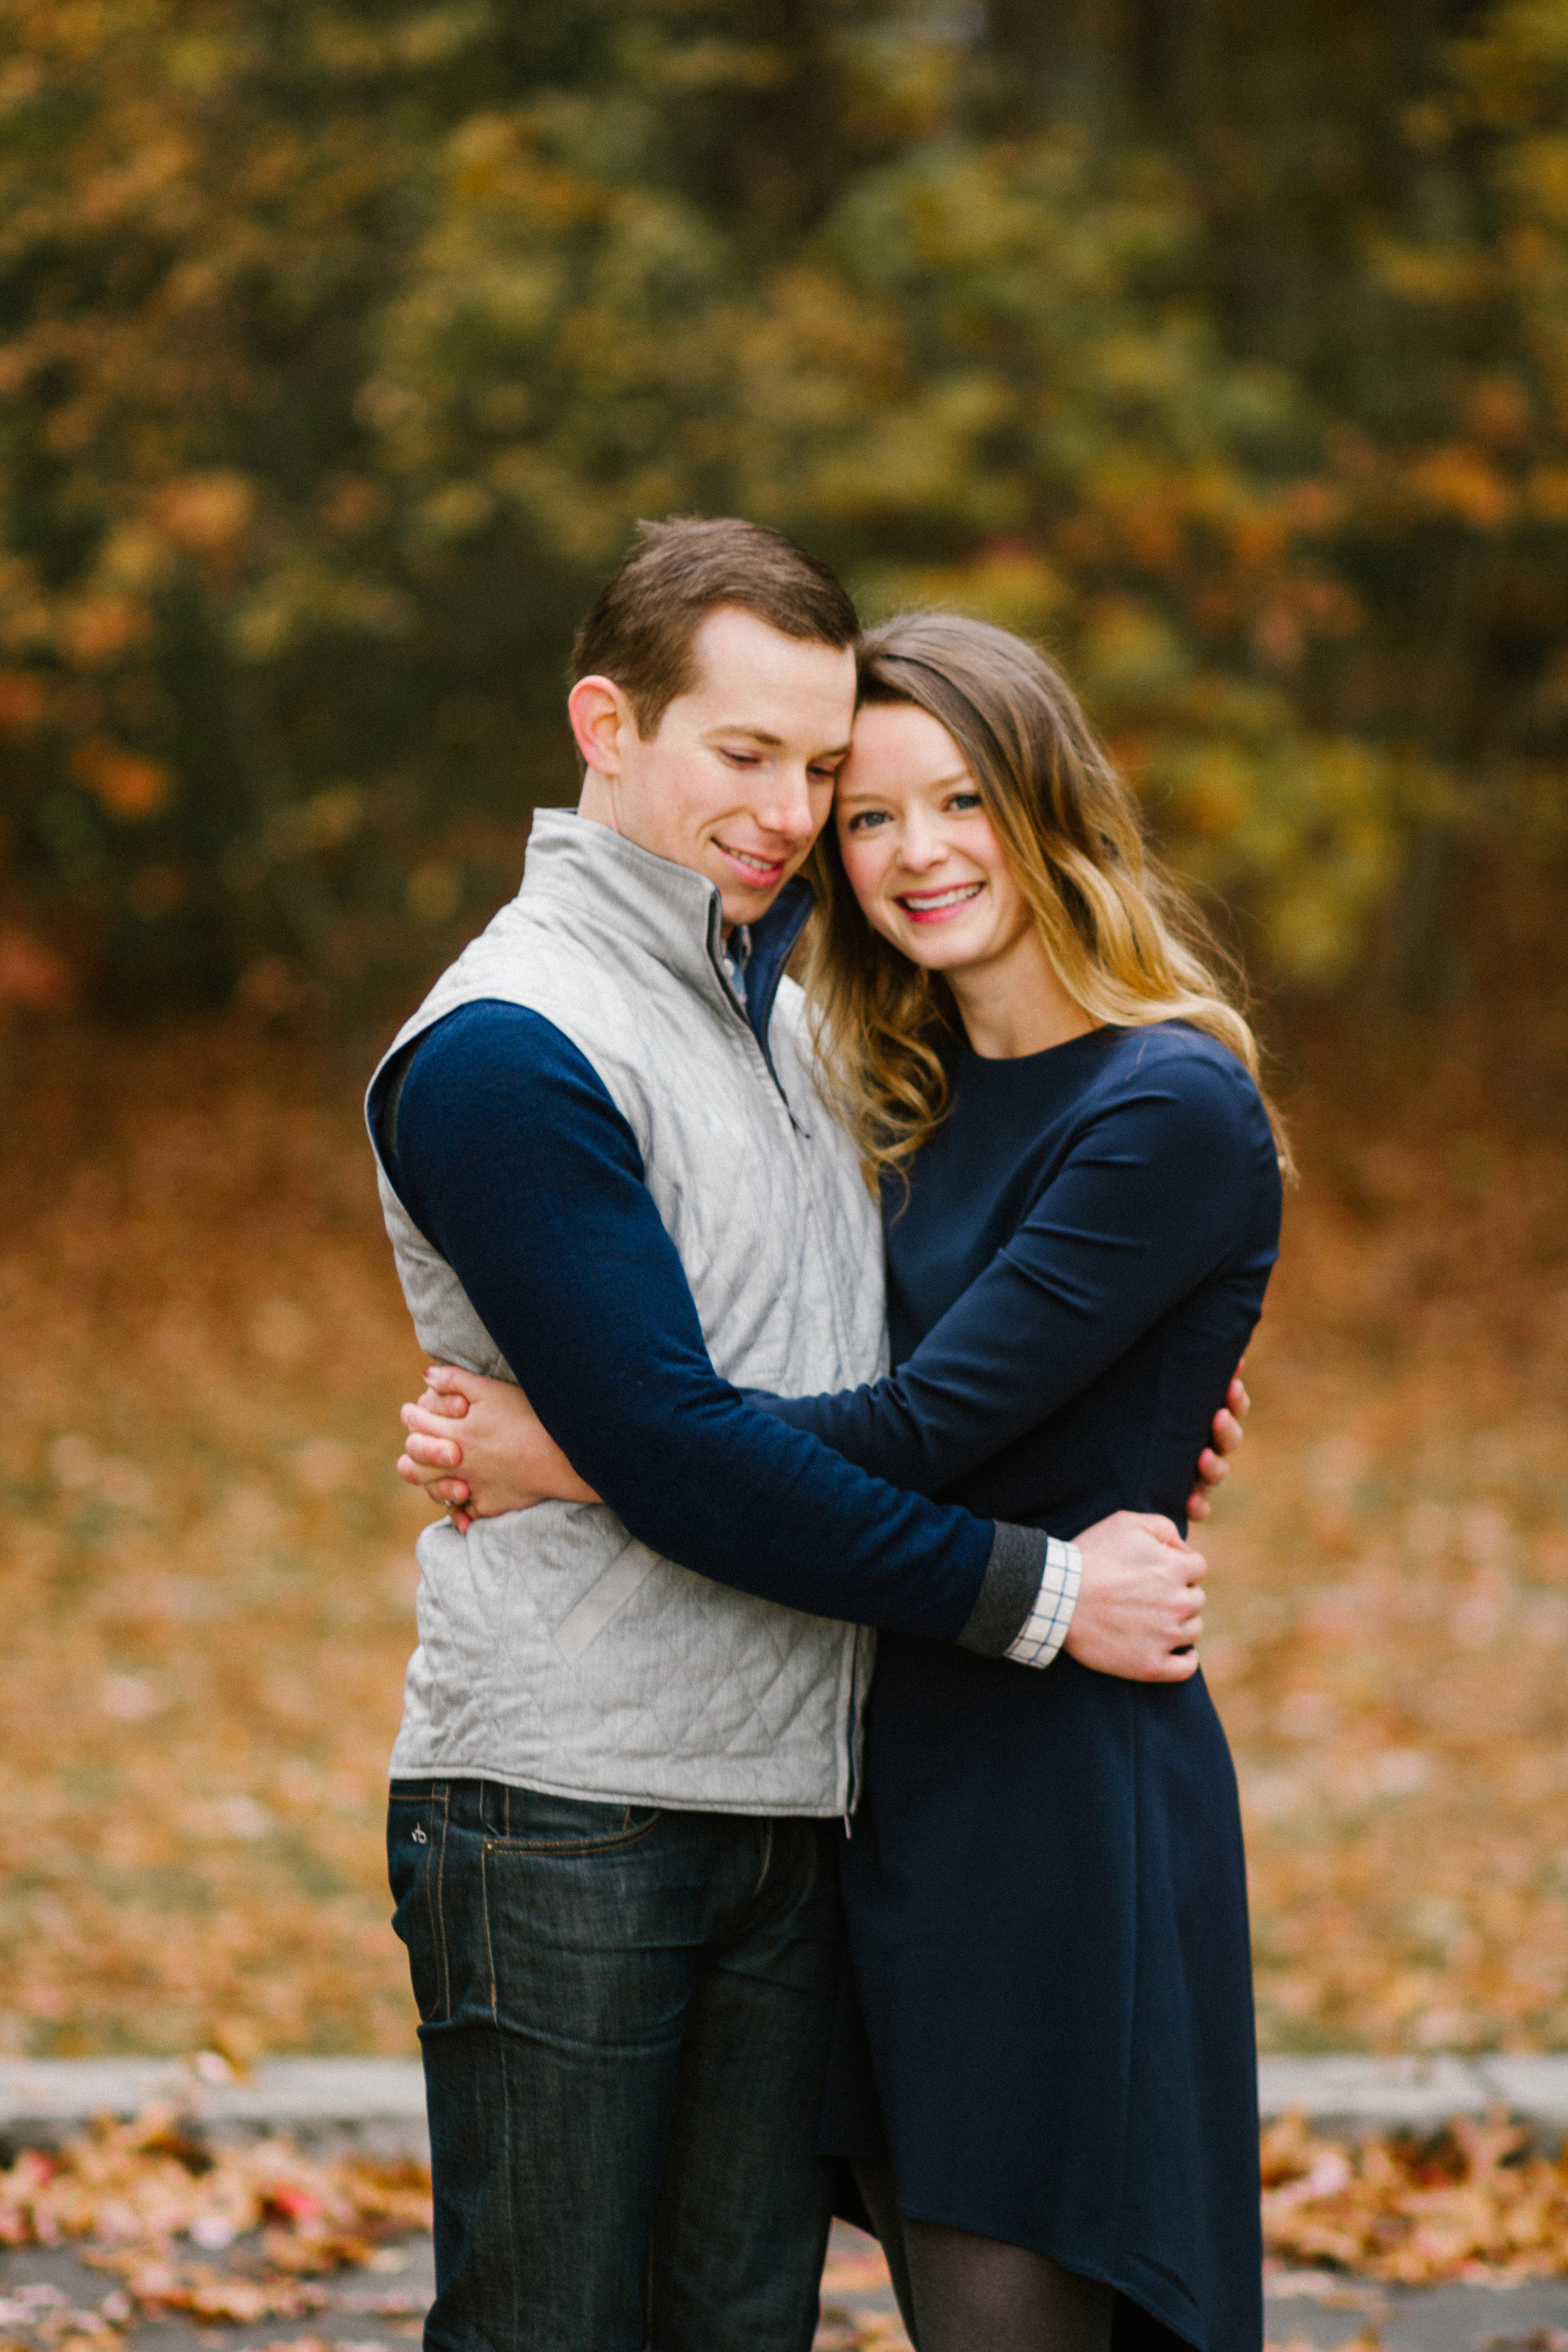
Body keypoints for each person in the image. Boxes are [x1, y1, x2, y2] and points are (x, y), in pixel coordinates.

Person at [369, 521, 1241, 2352]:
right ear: (604, 725)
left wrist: (570, 1450)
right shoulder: (527, 1041)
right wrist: (1035, 1576)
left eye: (821, 771)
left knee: (745, 2323)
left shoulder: (812, 1030)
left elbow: (912, 1388)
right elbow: (748, 1427)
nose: (811, 820)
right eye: (757, 763)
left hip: (841, 1789)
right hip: (585, 1805)